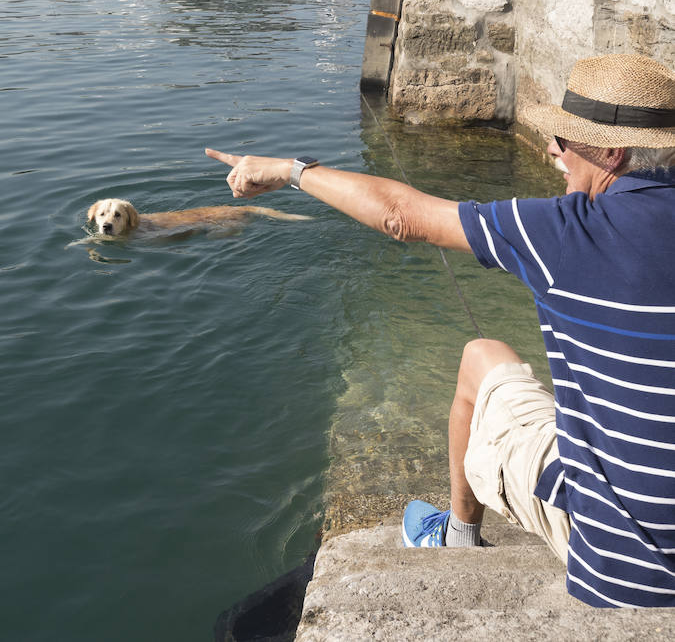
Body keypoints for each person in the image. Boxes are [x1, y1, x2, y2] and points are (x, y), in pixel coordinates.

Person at [205, 53, 675, 609]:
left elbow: (401, 214)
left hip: (629, 570)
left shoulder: (568, 230)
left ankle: (456, 534)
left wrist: (291, 170)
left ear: (613, 154)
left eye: (563, 139)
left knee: (482, 357)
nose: (551, 149)